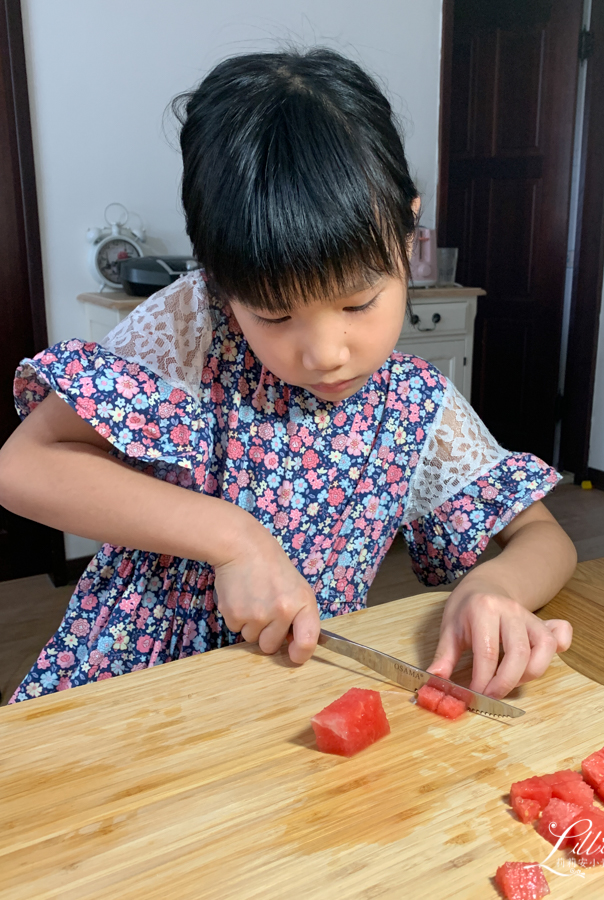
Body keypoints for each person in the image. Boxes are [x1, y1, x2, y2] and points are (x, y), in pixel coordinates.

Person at [0, 48, 575, 705]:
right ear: (220, 278)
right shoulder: (193, 332)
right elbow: (23, 467)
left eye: (358, 303)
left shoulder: (413, 402)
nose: (325, 352)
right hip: (131, 686)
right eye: (274, 314)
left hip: (283, 692)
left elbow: (539, 538)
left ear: (407, 234)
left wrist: (495, 589)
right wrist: (234, 541)